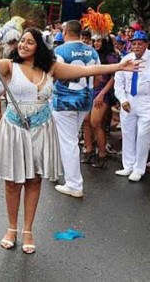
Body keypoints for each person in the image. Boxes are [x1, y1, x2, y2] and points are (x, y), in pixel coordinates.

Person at [0, 13, 138, 254]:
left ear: (39, 47)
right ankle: (11, 227)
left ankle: (28, 229)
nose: (23, 44)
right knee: (12, 181)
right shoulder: (10, 66)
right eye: (22, 41)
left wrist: (119, 66)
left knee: (34, 180)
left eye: (30, 41)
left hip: (40, 129)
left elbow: (88, 71)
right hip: (14, 129)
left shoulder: (51, 69)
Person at [51, 20, 100, 198]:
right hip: (85, 100)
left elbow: (54, 75)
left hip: (65, 101)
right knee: (69, 139)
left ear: (65, 31)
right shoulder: (92, 50)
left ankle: (73, 183)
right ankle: (59, 172)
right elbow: (99, 75)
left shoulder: (60, 51)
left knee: (68, 141)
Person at [114, 30, 150, 182]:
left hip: (146, 102)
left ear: (146, 44)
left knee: (143, 135)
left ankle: (139, 168)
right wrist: (123, 100)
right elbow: (118, 83)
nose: (136, 47)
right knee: (128, 133)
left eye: (140, 44)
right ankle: (128, 165)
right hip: (128, 101)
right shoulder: (126, 60)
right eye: (134, 44)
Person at [81, 35, 120, 169]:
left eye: (99, 40)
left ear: (105, 41)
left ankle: (102, 154)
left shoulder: (111, 56)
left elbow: (114, 78)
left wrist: (102, 94)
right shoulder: (91, 54)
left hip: (102, 93)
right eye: (94, 40)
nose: (96, 43)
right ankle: (89, 150)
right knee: (86, 120)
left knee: (95, 122)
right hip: (90, 90)